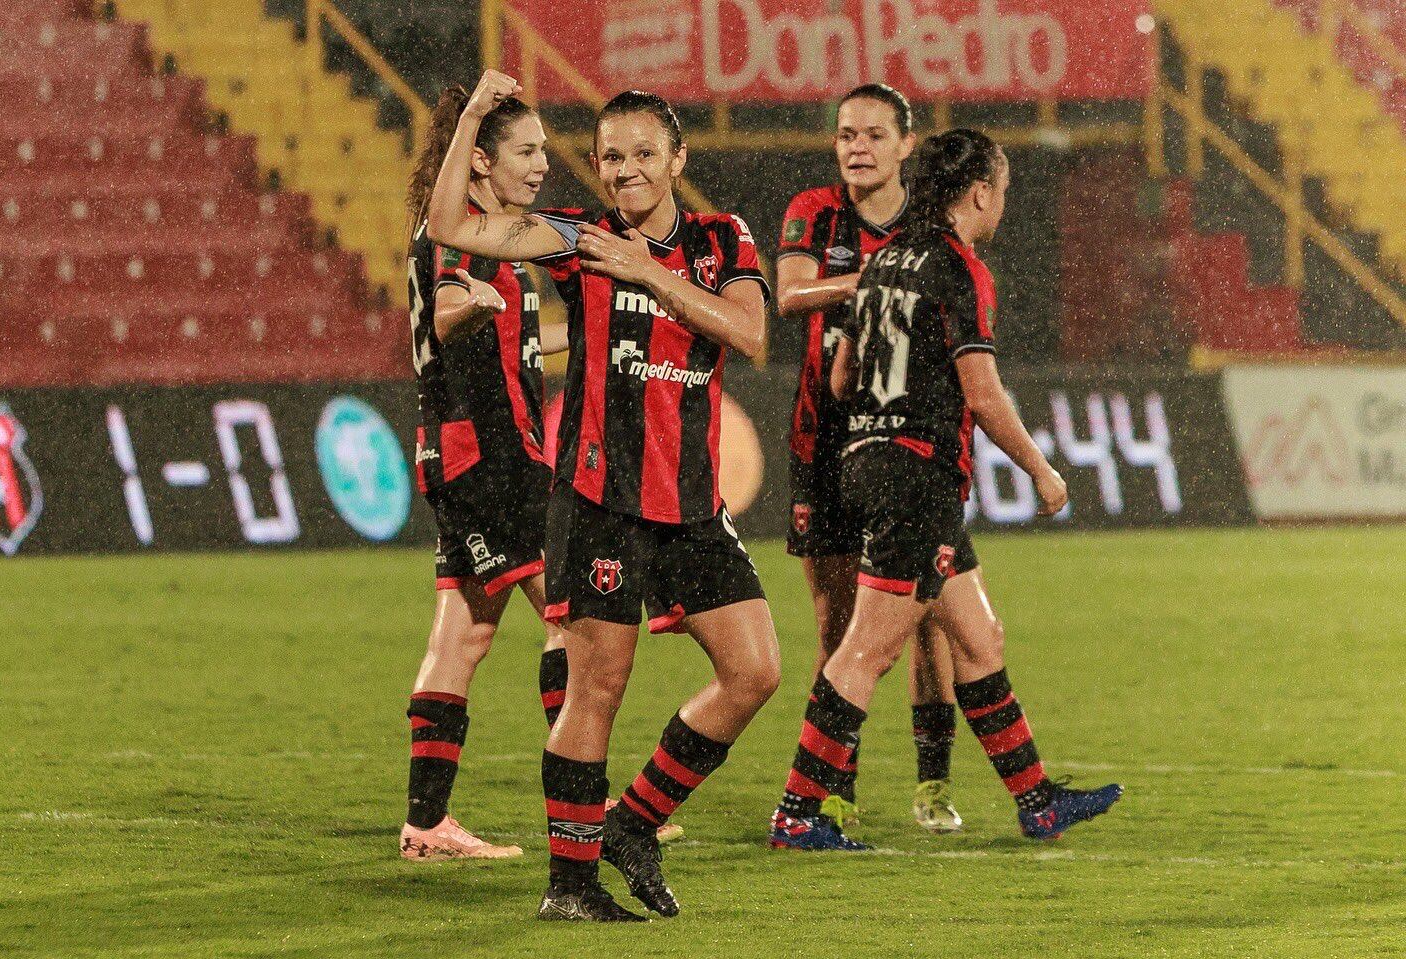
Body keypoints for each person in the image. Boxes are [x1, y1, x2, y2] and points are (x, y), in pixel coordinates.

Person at [429, 72, 780, 921]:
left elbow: (753, 334)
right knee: (597, 691)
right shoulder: (575, 240)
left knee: (755, 670)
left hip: (693, 504)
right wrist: (474, 115)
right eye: (611, 155)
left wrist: (647, 273)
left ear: (676, 159)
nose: (625, 169)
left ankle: (634, 821)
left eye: (643, 153)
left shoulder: (720, 238)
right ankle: (571, 885)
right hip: (598, 502)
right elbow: (448, 224)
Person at [770, 129, 1123, 851]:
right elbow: (985, 397)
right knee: (867, 651)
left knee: (978, 634)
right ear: (980, 193)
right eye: (1002, 190)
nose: (1003, 205)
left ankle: (1037, 800)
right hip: (916, 473)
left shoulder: (881, 264)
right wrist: (1042, 471)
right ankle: (798, 812)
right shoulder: (957, 269)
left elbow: (839, 380)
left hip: (865, 461)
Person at [777, 83, 962, 835]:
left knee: (925, 621)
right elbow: (788, 296)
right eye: (847, 134)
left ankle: (933, 785)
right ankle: (833, 791)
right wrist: (879, 281)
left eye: (875, 135)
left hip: (910, 442)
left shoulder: (929, 223)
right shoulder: (812, 211)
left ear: (905, 145)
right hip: (821, 441)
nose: (859, 147)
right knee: (836, 622)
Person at [399, 86, 572, 861]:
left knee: (461, 637)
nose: (542, 165)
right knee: (574, 619)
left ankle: (427, 823)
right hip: (493, 458)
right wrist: (475, 303)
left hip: (457, 452)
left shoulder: (461, 231)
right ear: (480, 161)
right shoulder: (469, 238)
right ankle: (585, 806)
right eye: (527, 151)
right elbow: (444, 313)